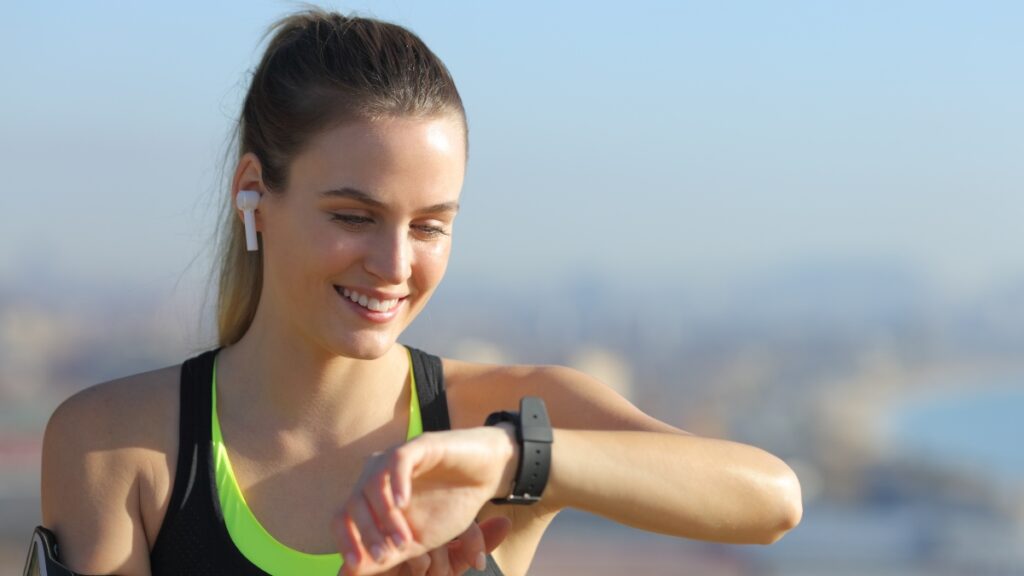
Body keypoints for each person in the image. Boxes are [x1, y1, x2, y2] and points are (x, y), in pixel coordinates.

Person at [39, 8, 802, 576]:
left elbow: (771, 500)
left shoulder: (495, 421)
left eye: (431, 226)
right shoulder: (115, 447)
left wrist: (508, 461)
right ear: (254, 194)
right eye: (352, 216)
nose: (395, 263)